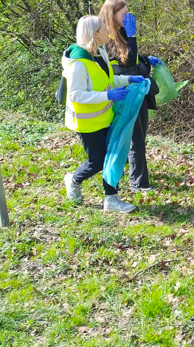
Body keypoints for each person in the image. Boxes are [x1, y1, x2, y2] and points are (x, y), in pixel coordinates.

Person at [62, 15, 146, 213]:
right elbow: (76, 95)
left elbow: (108, 80)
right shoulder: (78, 63)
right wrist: (108, 95)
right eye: (103, 27)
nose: (108, 30)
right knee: (97, 161)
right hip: (88, 122)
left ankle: (111, 199)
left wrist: (128, 80)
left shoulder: (100, 53)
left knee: (115, 156)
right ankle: (73, 179)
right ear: (94, 33)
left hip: (105, 116)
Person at [99, 0, 160, 192]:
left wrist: (145, 58)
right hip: (124, 91)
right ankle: (139, 183)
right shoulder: (104, 37)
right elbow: (128, 62)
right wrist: (133, 38)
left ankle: (129, 173)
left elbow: (130, 57)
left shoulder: (122, 32)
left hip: (134, 88)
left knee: (135, 134)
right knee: (135, 136)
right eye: (123, 14)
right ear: (112, 15)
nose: (127, 17)